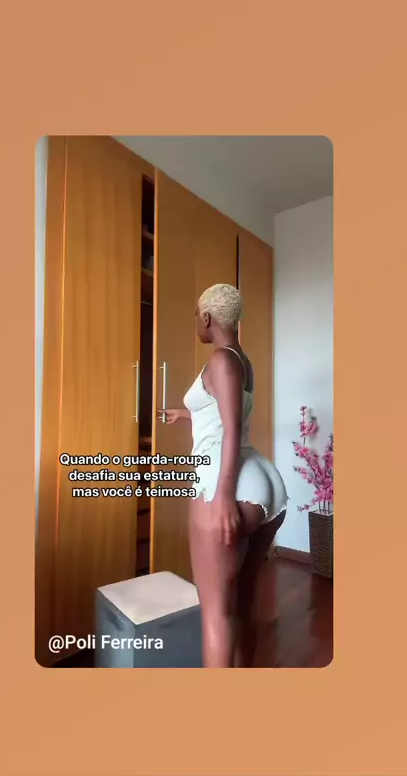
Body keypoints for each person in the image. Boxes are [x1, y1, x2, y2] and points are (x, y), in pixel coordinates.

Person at [162, 283, 288, 668]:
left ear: (206, 318)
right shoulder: (240, 359)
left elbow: (230, 428)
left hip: (225, 480)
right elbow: (222, 414)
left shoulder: (220, 360)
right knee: (241, 603)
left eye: (196, 316)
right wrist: (185, 414)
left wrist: (222, 497)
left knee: (215, 613)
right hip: (263, 481)